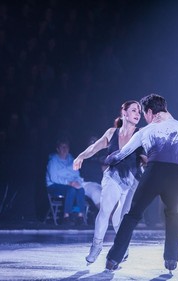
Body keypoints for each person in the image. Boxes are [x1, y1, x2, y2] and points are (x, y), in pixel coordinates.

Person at [104, 94, 178, 273]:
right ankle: (171, 259)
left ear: (150, 112)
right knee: (173, 215)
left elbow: (121, 155)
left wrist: (108, 158)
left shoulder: (145, 131)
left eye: (144, 113)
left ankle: (113, 259)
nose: (144, 117)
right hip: (176, 176)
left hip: (154, 173)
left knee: (132, 216)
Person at [73, 100, 146, 264]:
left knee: (119, 219)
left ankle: (122, 246)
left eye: (139, 111)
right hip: (113, 177)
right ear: (124, 112)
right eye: (134, 110)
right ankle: (96, 246)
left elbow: (147, 156)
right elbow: (93, 148)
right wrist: (80, 157)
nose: (137, 113)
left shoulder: (141, 134)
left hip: (132, 181)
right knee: (105, 211)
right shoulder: (112, 132)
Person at [46, 138, 86, 225]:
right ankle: (66, 216)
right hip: (54, 185)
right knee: (71, 190)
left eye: (66, 147)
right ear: (58, 149)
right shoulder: (53, 161)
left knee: (80, 189)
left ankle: (80, 216)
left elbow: (76, 175)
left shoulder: (72, 160)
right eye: (62, 147)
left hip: (70, 184)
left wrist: (77, 182)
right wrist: (69, 183)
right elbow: (54, 178)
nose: (64, 149)